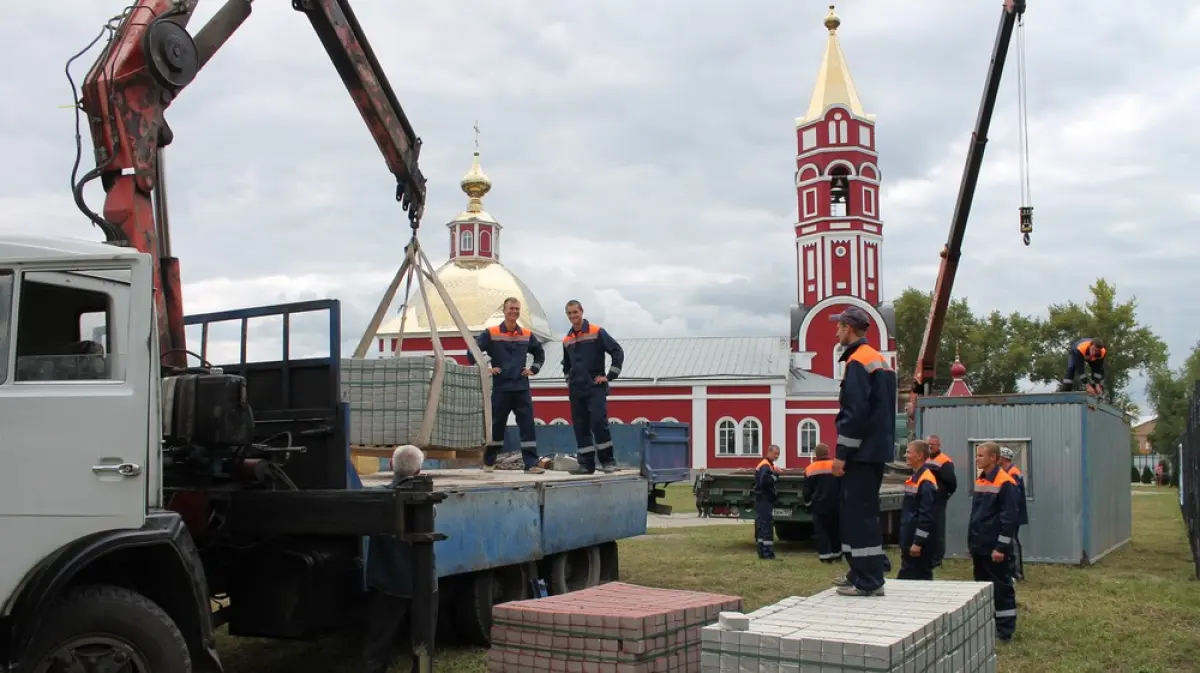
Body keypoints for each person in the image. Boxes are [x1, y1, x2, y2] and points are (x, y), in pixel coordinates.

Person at [827, 306, 897, 597]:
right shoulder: (879, 360)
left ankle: (868, 580)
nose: (835, 332)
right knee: (861, 513)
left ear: (848, 328)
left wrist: (842, 454)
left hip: (861, 454)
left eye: (838, 326)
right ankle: (863, 572)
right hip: (875, 451)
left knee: (859, 514)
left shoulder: (858, 361)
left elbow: (854, 414)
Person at [362, 445, 438, 673]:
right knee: (423, 644)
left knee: (378, 643)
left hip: (388, 582)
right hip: (423, 583)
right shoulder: (425, 500)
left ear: (391, 464)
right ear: (418, 471)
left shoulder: (375, 497)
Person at [469, 297, 545, 474]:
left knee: (527, 427)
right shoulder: (491, 333)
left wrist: (534, 369)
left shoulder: (526, 335)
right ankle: (489, 462)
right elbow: (472, 351)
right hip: (501, 389)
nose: (514, 312)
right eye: (511, 308)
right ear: (504, 310)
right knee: (496, 426)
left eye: (517, 309)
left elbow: (539, 354)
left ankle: (531, 464)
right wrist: (486, 369)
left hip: (521, 389)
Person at [561, 300, 625, 475]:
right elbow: (566, 365)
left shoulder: (597, 332)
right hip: (576, 390)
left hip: (594, 387)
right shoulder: (567, 340)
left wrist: (609, 376)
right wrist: (569, 380)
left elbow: (617, 351)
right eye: (569, 313)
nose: (573, 316)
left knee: (598, 423)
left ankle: (608, 462)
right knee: (580, 426)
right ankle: (586, 465)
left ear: (582, 311)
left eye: (575, 312)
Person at [969, 442, 1020, 642]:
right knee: (982, 587)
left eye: (981, 455)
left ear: (993, 458)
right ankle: (986, 625)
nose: (977, 459)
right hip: (980, 546)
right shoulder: (980, 480)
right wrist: (972, 543)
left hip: (994, 549)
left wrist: (1000, 547)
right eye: (977, 455)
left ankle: (1005, 631)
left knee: (1001, 588)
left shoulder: (1005, 482)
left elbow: (1010, 518)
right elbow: (977, 515)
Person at [897, 440, 939, 581]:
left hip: (918, 544)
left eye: (909, 452)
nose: (905, 455)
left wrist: (918, 542)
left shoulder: (925, 481)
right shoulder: (915, 478)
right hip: (910, 538)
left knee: (917, 579)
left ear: (920, 455)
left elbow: (926, 515)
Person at [802, 443, 841, 563]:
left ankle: (825, 556)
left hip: (819, 505)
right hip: (836, 504)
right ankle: (837, 554)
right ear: (828, 452)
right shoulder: (835, 465)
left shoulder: (810, 468)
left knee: (822, 532)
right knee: (835, 530)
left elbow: (806, 490)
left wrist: (808, 504)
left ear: (816, 454)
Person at [924, 434, 957, 569]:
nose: (930, 446)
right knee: (927, 526)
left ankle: (937, 558)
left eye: (933, 444)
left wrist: (944, 494)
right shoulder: (925, 459)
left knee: (938, 528)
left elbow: (952, 482)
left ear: (939, 446)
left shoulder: (944, 461)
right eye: (928, 444)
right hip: (927, 499)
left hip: (938, 499)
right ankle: (928, 554)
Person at [999, 447, 1028, 581]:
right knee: (1009, 541)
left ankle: (1016, 571)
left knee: (1013, 541)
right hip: (1012, 513)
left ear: (1004, 458)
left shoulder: (1012, 473)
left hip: (1014, 514)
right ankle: (1010, 570)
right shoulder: (1008, 472)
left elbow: (1014, 497)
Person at [753, 444, 782, 560]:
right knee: (767, 525)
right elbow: (765, 481)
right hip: (764, 498)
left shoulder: (766, 464)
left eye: (778, 454)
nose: (776, 456)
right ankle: (768, 554)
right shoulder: (765, 465)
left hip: (760, 498)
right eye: (775, 453)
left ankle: (761, 551)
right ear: (769, 452)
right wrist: (776, 475)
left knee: (761, 525)